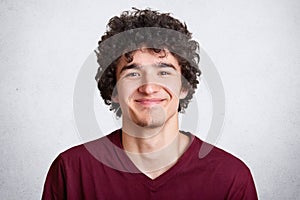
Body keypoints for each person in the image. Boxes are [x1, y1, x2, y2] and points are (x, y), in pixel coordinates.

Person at [42, 8, 258, 199]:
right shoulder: (70, 171)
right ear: (114, 90)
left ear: (184, 87)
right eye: (133, 73)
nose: (149, 87)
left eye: (164, 72)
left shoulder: (231, 177)